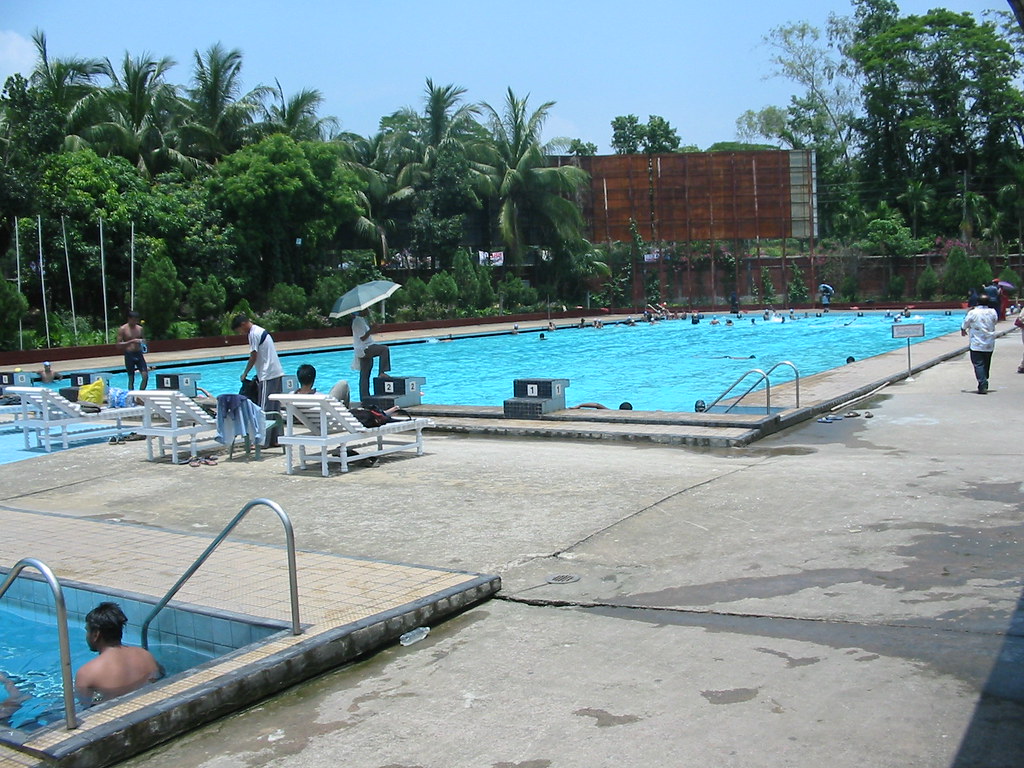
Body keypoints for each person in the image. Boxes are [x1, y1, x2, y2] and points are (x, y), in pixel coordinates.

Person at [75, 602, 162, 705]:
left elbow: (85, 707)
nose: (87, 635)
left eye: (87, 631)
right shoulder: (146, 656)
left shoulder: (87, 673)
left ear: (96, 635)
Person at [233, 314, 285, 445]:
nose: (240, 333)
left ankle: (263, 441)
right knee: (275, 407)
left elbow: (253, 356)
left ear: (243, 324)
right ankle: (276, 439)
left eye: (239, 330)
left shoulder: (253, 334)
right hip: (276, 372)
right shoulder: (259, 330)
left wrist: (245, 373)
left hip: (267, 374)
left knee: (264, 409)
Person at [350, 311, 391, 403]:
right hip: (365, 348)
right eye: (367, 309)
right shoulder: (357, 321)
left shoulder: (362, 320)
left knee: (365, 374)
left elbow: (366, 334)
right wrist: (372, 329)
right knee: (384, 349)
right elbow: (362, 337)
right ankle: (382, 372)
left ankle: (364, 398)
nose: (369, 311)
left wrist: (372, 328)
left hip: (363, 348)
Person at [960, 295, 998, 394]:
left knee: (978, 364)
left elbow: (965, 323)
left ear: (977, 302)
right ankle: (984, 378)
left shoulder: (973, 312)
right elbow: (995, 321)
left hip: (976, 343)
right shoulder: (993, 312)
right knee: (986, 363)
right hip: (989, 342)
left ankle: (982, 383)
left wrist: (963, 329)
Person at [116, 310, 148, 390]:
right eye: (133, 320)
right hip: (129, 354)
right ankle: (131, 395)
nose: (135, 322)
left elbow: (144, 340)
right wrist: (132, 341)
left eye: (136, 320)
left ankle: (141, 394)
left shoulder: (140, 329)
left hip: (139, 354)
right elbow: (118, 345)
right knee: (131, 379)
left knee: (145, 376)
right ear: (129, 319)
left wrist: (143, 343)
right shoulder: (123, 329)